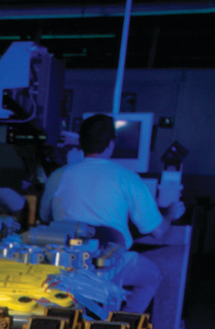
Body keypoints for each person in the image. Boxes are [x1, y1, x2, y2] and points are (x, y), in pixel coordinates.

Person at [40, 113, 186, 312]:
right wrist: (170, 213)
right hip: (107, 264)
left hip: (63, 263)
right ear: (111, 144)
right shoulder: (128, 178)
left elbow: (44, 217)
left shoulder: (58, 175)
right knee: (153, 275)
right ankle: (124, 324)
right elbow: (158, 231)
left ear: (80, 143)